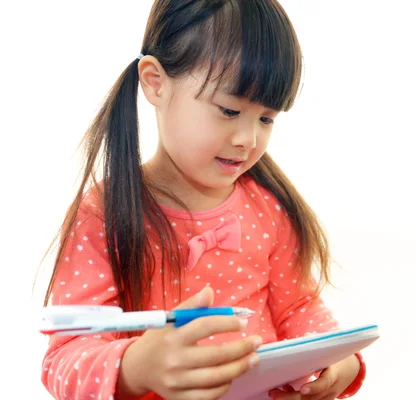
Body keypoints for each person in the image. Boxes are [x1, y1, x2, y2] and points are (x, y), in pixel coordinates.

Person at [40, 1, 366, 399]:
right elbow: (65, 357)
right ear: (155, 82)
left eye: (266, 119)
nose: (248, 139)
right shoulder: (105, 214)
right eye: (229, 110)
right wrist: (134, 367)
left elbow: (298, 308)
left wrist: (336, 357)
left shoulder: (268, 208)